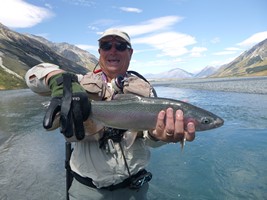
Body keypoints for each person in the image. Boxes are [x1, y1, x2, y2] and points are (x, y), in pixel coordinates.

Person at [25, 29, 195, 200]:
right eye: (106, 45)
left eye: (120, 46)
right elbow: (32, 77)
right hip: (87, 192)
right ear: (99, 52)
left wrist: (159, 136)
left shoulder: (147, 92)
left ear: (130, 52)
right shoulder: (78, 83)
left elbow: (152, 141)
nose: (113, 50)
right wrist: (57, 78)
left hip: (135, 191)